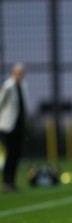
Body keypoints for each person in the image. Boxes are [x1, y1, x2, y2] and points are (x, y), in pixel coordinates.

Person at [0, 63, 28, 193]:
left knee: (16, 154)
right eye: (18, 73)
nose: (20, 75)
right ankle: (6, 181)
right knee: (10, 154)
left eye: (22, 73)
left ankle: (12, 182)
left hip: (19, 125)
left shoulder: (23, 85)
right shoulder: (8, 86)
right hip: (8, 126)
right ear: (13, 73)